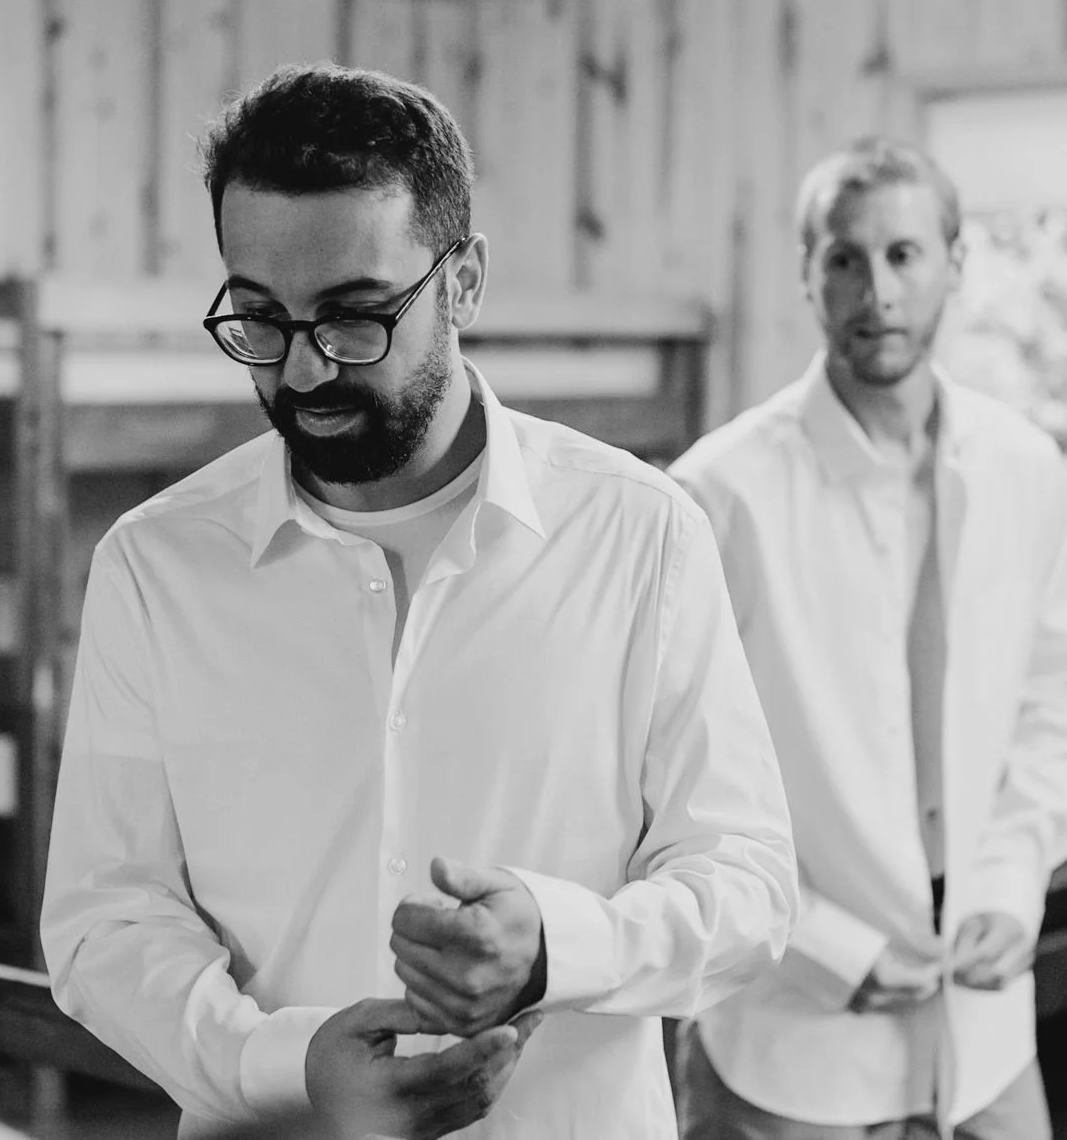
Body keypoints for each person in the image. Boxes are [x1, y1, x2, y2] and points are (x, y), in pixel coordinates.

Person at [41, 64, 799, 1140]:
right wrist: (285, 1065)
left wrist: (557, 946)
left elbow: (748, 884)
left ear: (463, 282)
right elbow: (104, 918)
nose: (305, 370)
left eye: (355, 317)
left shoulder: (643, 534)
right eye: (260, 319)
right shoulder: (152, 566)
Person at [668, 138, 1067, 1140]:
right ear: (806, 272)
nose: (878, 292)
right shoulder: (717, 493)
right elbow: (671, 778)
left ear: (956, 262)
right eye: (845, 259)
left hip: (984, 1025)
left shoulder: (1024, 467)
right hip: (786, 1043)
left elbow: (1058, 705)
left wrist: (1013, 882)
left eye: (904, 254)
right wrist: (821, 944)